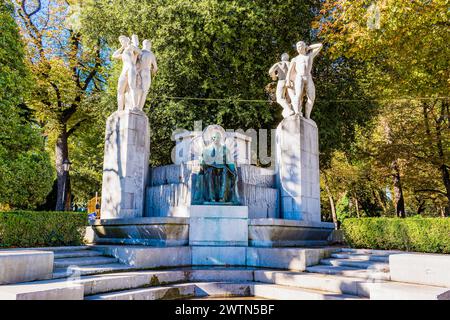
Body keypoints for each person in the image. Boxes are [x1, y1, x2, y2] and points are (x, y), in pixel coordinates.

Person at [286, 41, 322, 119]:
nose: (299, 47)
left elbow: (320, 45)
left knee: (312, 97)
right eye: (297, 46)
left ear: (304, 46)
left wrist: (309, 47)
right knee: (298, 95)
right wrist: (288, 80)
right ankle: (297, 112)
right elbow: (289, 71)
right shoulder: (295, 59)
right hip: (299, 77)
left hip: (308, 77)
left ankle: (307, 117)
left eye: (300, 45)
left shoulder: (310, 55)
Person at [112, 35, 141, 110]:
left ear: (127, 40)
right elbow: (114, 55)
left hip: (131, 68)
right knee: (120, 90)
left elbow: (140, 52)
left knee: (132, 87)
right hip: (124, 71)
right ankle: (120, 109)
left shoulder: (131, 47)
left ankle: (135, 106)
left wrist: (132, 46)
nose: (122, 42)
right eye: (121, 41)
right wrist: (122, 47)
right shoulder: (124, 53)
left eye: (123, 40)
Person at [268, 53, 295, 118]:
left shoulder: (279, 63)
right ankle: (292, 110)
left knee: (279, 99)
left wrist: (274, 77)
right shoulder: (292, 64)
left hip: (282, 81)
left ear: (282, 58)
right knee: (291, 99)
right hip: (291, 82)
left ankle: (289, 110)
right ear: (288, 58)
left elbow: (270, 71)